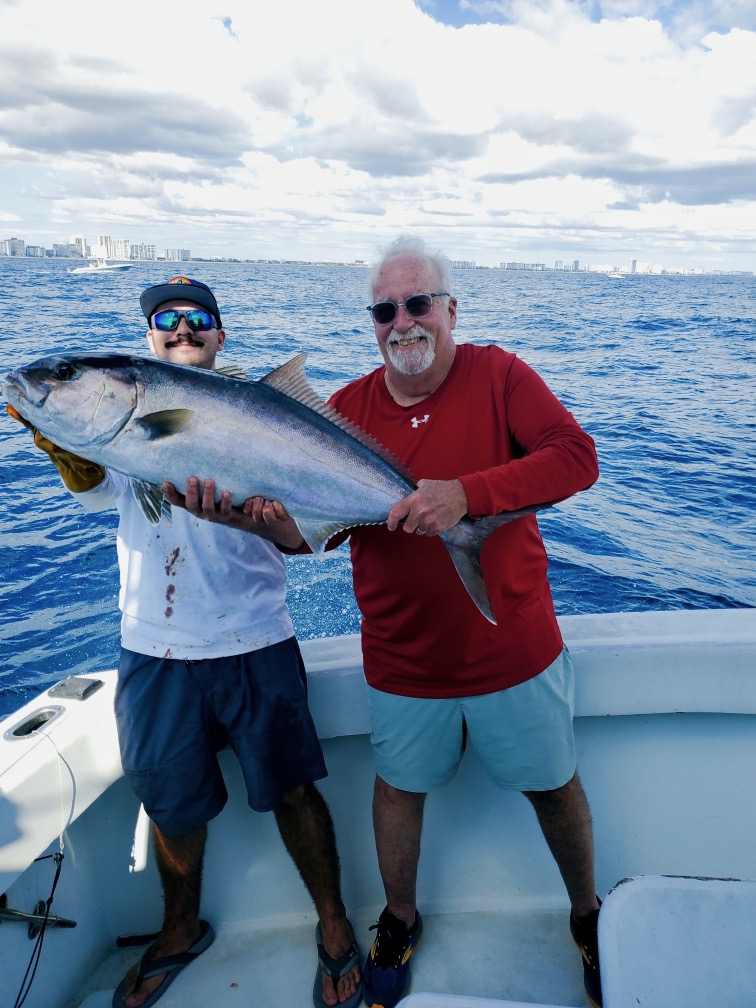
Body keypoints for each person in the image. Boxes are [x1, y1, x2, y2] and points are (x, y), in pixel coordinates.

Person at [166, 237, 604, 1008]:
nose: (403, 321)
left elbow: (576, 457)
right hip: (402, 663)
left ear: (450, 310)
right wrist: (249, 521)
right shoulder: (349, 412)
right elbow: (305, 537)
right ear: (371, 322)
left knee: (553, 788)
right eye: (384, 310)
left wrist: (465, 495)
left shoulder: (500, 374)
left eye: (418, 303)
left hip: (517, 653)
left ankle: (586, 916)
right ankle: (399, 920)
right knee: (398, 791)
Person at [7, 276, 361, 1008]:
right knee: (171, 807)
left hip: (256, 639)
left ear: (220, 335)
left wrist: (264, 520)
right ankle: (178, 930)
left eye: (199, 318)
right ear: (146, 343)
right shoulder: (119, 432)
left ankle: (333, 926)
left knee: (294, 792)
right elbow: (97, 490)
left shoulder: (252, 408)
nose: (182, 328)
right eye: (165, 319)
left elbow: (303, 540)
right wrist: (57, 433)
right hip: (154, 648)